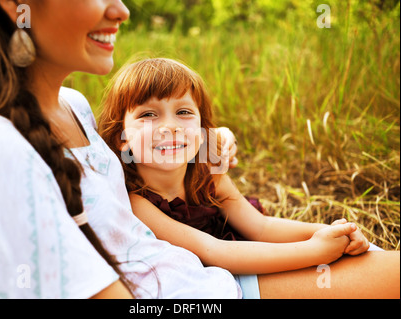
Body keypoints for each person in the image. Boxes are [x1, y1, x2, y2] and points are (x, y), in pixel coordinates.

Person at [0, 0, 244, 299]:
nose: (121, 10)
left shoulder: (72, 104)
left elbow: (126, 162)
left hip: (200, 281)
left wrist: (208, 139)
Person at [99, 58, 400, 298]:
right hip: (225, 279)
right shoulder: (137, 204)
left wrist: (332, 231)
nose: (169, 126)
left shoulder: (208, 174)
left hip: (254, 255)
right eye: (148, 115)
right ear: (122, 137)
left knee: (374, 260)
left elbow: (261, 227)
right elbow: (213, 252)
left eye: (183, 112)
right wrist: (313, 251)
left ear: (203, 129)